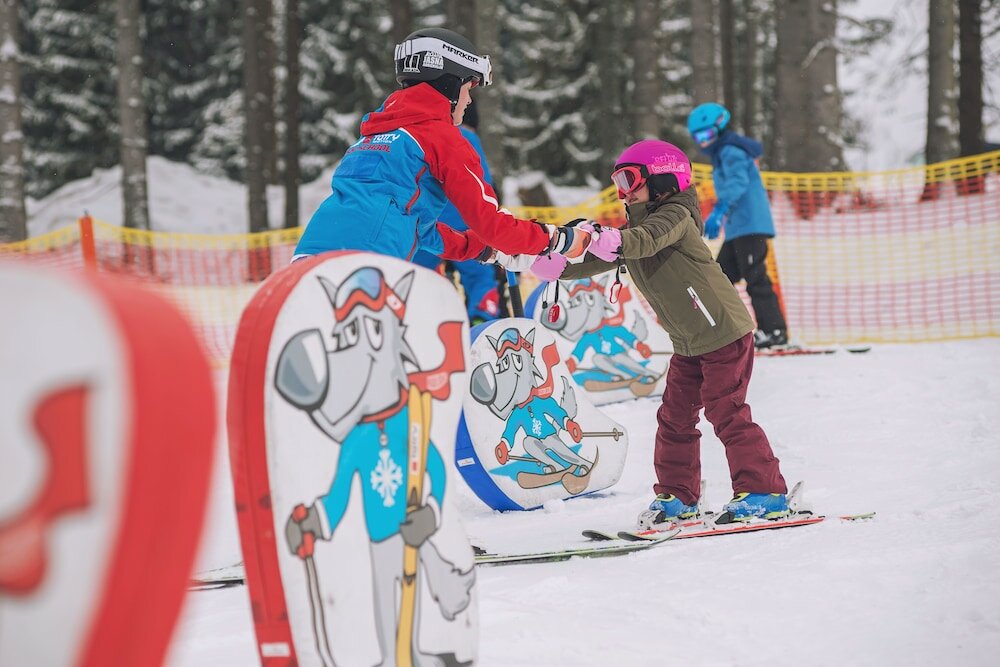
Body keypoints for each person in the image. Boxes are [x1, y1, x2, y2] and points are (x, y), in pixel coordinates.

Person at [517, 139, 790, 526]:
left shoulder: (676, 215)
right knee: (674, 418)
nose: (623, 192)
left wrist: (608, 238)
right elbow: (606, 254)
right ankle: (677, 497)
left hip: (723, 331)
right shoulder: (637, 227)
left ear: (662, 180)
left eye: (629, 180)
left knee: (725, 410)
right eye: (618, 182)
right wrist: (555, 267)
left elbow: (643, 241)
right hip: (688, 341)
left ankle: (765, 491)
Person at [294, 27, 591, 275]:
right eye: (468, 88)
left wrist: (487, 251)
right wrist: (559, 239)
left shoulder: (377, 137)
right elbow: (489, 222)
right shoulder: (440, 136)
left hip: (306, 260)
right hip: (361, 269)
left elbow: (420, 229)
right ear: (449, 84)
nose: (470, 101)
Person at [687, 102, 789, 349]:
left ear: (720, 129)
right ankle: (723, 332)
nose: (704, 142)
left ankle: (774, 332)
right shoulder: (722, 153)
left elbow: (737, 183)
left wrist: (720, 210)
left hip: (750, 226)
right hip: (738, 229)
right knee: (720, 277)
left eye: (708, 135)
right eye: (698, 137)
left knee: (755, 278)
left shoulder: (731, 151)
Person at [411, 100, 506, 324]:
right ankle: (482, 317)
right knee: (479, 275)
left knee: (416, 274)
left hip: (426, 223)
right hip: (465, 222)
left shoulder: (426, 135)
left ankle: (417, 318)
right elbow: (483, 183)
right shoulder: (469, 139)